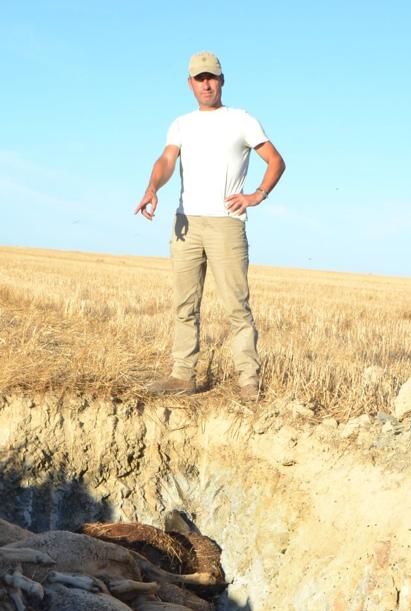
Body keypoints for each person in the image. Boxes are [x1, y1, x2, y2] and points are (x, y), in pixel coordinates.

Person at [135, 51, 285, 402]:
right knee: (185, 305)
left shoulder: (242, 120)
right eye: (199, 78)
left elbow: (276, 160)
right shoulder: (181, 124)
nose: (206, 84)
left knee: (237, 306)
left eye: (212, 77)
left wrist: (258, 194)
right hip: (186, 222)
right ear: (189, 84)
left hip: (226, 225)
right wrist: (152, 188)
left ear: (222, 80)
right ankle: (182, 375)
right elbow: (166, 160)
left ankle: (249, 380)